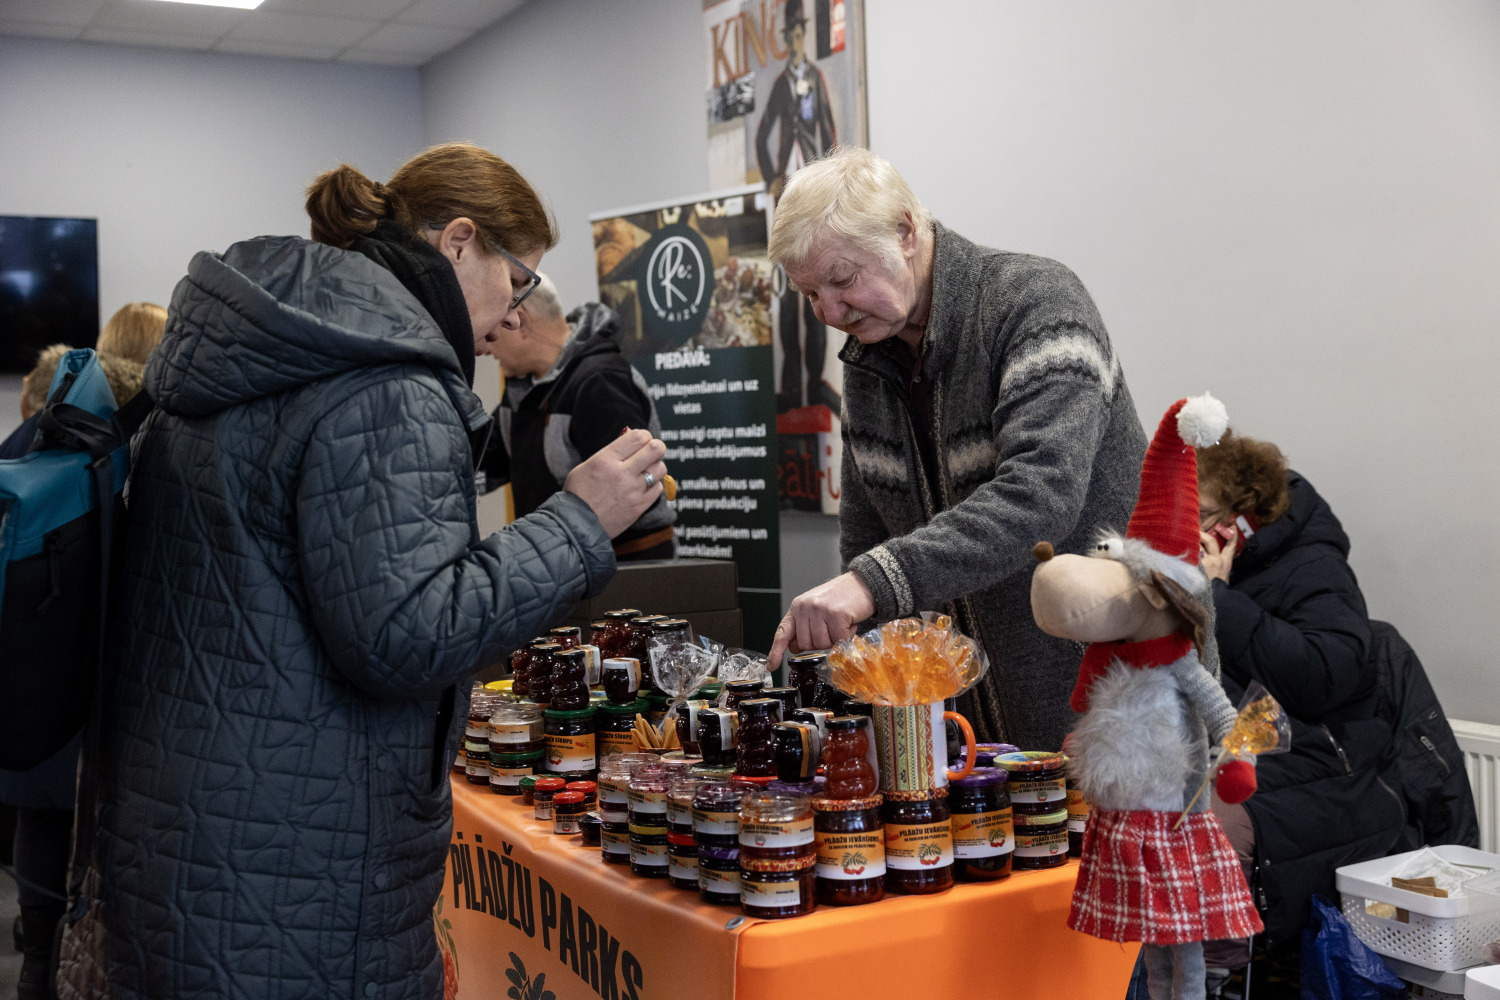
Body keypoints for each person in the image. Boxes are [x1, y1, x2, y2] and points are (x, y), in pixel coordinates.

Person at [55, 142, 667, 1000]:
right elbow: (406, 635)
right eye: (519, 280)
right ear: (459, 242)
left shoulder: (255, 352)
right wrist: (578, 522)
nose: (510, 317)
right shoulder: (389, 386)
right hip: (304, 858)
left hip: (186, 824)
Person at [765, 147, 1148, 751]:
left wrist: (870, 583)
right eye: (810, 295)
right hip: (973, 734)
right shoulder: (868, 364)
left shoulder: (1036, 304)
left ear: (906, 231)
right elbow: (866, 540)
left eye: (842, 280)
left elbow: (1040, 497)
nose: (830, 313)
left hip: (1118, 705)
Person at [1195, 431, 1405, 977]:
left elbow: (1323, 677)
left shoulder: (1315, 568)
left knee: (1197, 827)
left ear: (1243, 520)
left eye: (1203, 515)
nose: (1188, 531)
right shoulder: (1214, 567)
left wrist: (1220, 602)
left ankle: (1209, 979)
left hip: (1318, 751)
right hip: (1246, 741)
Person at [1, 305, 164, 1000]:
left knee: (42, 834)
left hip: (38, 694)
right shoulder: (153, 443)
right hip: (120, 705)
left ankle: (38, 958)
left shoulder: (41, 436)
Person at [479, 274, 677, 560]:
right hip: (560, 563)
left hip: (625, 567)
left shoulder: (600, 382)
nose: (488, 343)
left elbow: (634, 495)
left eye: (496, 325)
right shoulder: (522, 389)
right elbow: (486, 464)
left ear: (521, 321)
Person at [756, 0, 840, 417]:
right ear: (785, 38)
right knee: (790, 294)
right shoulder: (780, 85)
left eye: (798, 32)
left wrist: (833, 176)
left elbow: (829, 131)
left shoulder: (816, 78)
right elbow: (762, 135)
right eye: (788, 34)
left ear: (804, 35)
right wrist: (770, 173)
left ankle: (815, 384)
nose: (794, 39)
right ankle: (791, 389)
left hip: (814, 195)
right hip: (784, 198)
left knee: (820, 287)